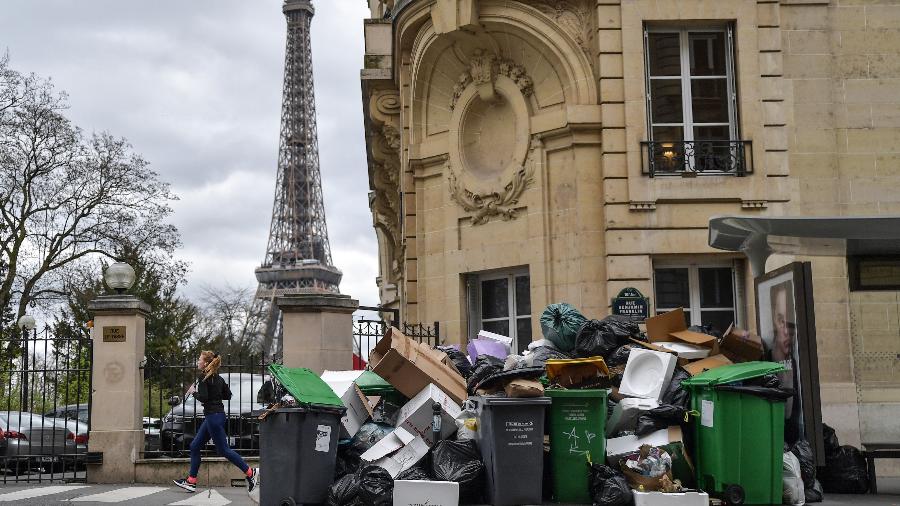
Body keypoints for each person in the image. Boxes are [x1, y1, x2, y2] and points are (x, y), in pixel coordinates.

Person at [174, 351, 258, 494]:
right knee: (194, 446)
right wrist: (215, 394)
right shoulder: (218, 378)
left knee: (224, 450)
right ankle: (191, 481)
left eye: (199, 360)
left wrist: (193, 392)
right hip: (216, 416)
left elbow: (204, 398)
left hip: (213, 418)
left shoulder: (203, 378)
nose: (198, 362)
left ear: (206, 363)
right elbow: (228, 395)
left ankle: (250, 472)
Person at [769, 281, 803, 444]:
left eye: (791, 323)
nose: (786, 332)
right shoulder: (765, 363)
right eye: (781, 320)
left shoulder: (798, 364)